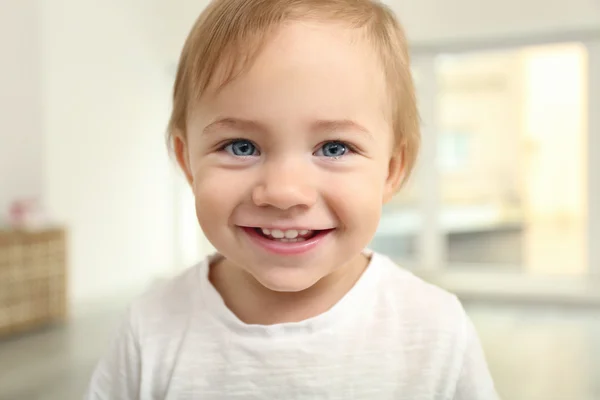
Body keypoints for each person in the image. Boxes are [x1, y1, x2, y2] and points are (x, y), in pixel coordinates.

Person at [85, 0, 499, 398]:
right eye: (241, 146)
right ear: (188, 162)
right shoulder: (151, 327)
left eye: (334, 148)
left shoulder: (435, 328)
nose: (284, 192)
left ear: (391, 169)